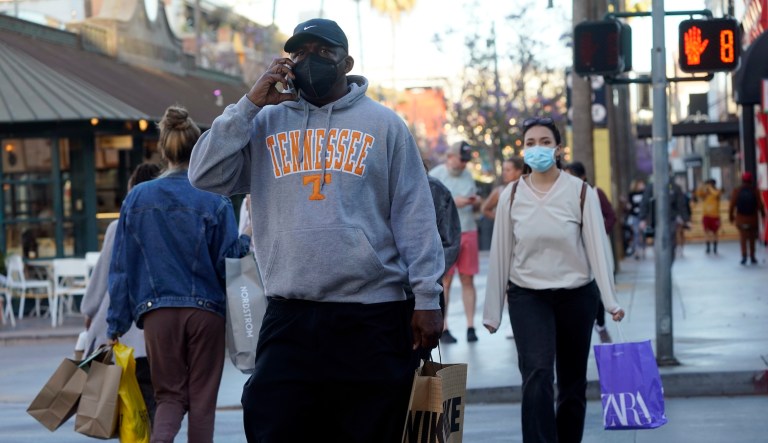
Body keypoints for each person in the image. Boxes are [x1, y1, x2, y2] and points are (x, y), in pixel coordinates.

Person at [186, 18, 444, 442]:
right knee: (271, 424)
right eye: (301, 52)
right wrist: (250, 104)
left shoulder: (384, 125)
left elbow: (414, 214)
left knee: (372, 431)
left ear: (348, 62)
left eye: (323, 52)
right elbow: (204, 174)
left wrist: (428, 297)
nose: (311, 61)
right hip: (290, 314)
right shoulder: (265, 123)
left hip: (371, 316)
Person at [107, 106, 251, 443]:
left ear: (163, 149)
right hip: (206, 315)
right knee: (202, 402)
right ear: (196, 148)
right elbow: (227, 260)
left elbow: (121, 266)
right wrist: (245, 238)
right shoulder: (213, 198)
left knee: (168, 397)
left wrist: (116, 324)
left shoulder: (137, 198)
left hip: (157, 313)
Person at [482, 116, 624, 443]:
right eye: (530, 143)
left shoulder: (581, 193)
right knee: (537, 374)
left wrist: (611, 299)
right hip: (528, 296)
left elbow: (598, 251)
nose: (537, 149)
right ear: (523, 150)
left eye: (545, 142)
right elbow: (500, 252)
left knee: (572, 382)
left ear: (558, 149)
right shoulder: (511, 195)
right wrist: (492, 312)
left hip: (577, 295)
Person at [80, 162, 161, 424]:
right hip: (156, 333)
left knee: (126, 409)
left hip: (122, 334)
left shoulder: (118, 227)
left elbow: (103, 277)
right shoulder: (165, 226)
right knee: (152, 404)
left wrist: (89, 312)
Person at [430, 141, 483, 343]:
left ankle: (471, 326)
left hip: (468, 229)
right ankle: (444, 327)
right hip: (446, 234)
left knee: (468, 279)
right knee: (445, 282)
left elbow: (475, 200)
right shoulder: (436, 175)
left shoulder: (468, 175)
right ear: (450, 157)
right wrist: (454, 201)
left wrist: (473, 200)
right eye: (462, 159)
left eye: (467, 161)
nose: (464, 164)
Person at [565, 160, 616, 344]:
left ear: (583, 176)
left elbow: (611, 216)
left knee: (596, 285)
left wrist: (598, 234)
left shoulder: (595, 193)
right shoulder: (563, 196)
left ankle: (600, 323)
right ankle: (594, 322)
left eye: (572, 176)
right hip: (574, 250)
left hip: (594, 247)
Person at [481, 156, 524, 339]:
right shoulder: (500, 191)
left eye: (509, 169)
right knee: (506, 280)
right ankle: (512, 321)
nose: (505, 173)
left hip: (523, 242)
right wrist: (499, 219)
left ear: (519, 171)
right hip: (506, 241)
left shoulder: (526, 189)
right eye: (504, 169)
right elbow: (485, 208)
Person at [638, 172, 690, 262]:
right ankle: (661, 262)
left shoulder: (674, 188)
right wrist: (642, 219)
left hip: (671, 219)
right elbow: (645, 203)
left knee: (671, 242)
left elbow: (681, 204)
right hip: (656, 220)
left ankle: (667, 263)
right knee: (659, 242)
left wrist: (685, 219)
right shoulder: (652, 187)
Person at [729, 172, 765, 265]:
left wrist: (731, 217)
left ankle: (744, 256)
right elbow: (760, 205)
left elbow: (732, 205)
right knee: (752, 237)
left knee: (743, 237)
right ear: (751, 180)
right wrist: (763, 215)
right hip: (752, 219)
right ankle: (752, 256)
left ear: (742, 180)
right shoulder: (755, 190)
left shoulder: (737, 191)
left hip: (741, 218)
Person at [696, 178, 723, 254]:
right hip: (706, 215)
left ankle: (715, 248)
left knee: (715, 232)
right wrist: (702, 186)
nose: (708, 186)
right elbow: (698, 193)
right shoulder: (705, 194)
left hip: (715, 216)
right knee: (706, 232)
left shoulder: (717, 191)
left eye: (709, 184)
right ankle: (708, 247)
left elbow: (716, 194)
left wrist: (710, 188)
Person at [626, 179, 647, 259]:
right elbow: (630, 205)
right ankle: (637, 251)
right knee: (636, 233)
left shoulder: (644, 194)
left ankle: (643, 250)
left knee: (643, 233)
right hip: (634, 216)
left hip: (642, 216)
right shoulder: (631, 194)